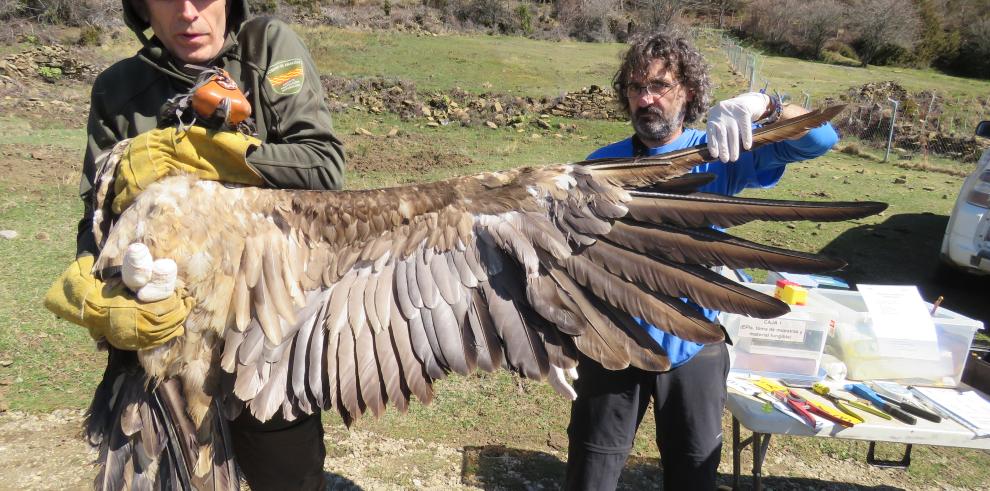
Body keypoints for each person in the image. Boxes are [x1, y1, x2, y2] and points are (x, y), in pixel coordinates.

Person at [44, 1, 344, 489]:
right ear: (143, 9)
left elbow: (322, 167)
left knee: (288, 473)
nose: (188, 14)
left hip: (261, 325)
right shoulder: (119, 90)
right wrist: (98, 290)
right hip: (160, 337)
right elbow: (95, 218)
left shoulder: (266, 48)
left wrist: (200, 154)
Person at [565, 31, 839, 490]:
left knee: (693, 472)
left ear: (688, 91)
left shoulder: (720, 149)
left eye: (660, 86)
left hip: (693, 341)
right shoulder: (600, 165)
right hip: (613, 342)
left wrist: (764, 105)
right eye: (636, 88)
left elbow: (821, 139)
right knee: (591, 471)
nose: (646, 99)